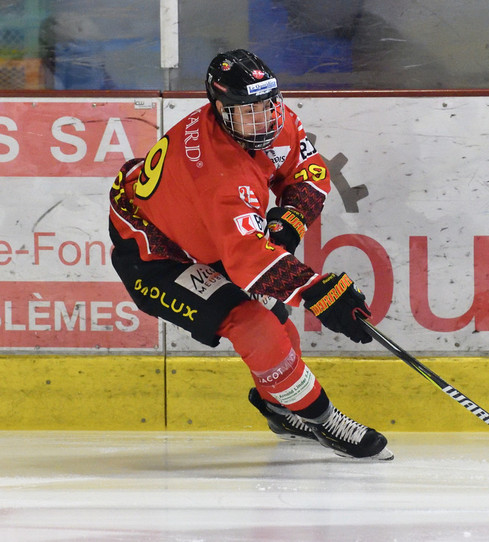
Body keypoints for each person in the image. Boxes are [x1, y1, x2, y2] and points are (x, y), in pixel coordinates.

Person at [108, 48, 391, 460]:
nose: (264, 119)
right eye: (247, 111)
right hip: (154, 253)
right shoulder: (217, 175)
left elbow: (309, 173)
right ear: (220, 110)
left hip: (200, 227)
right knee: (253, 324)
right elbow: (248, 261)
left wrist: (288, 223)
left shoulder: (275, 119)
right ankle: (325, 420)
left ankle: (279, 409)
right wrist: (319, 293)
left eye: (267, 104)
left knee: (278, 325)